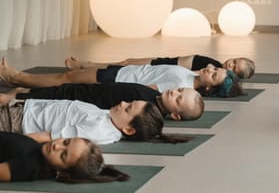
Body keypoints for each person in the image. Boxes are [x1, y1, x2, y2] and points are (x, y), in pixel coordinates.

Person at [0, 57, 244, 98]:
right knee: (69, 76)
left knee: (67, 79)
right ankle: (17, 79)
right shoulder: (190, 75)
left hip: (115, 80)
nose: (210, 69)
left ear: (210, 89)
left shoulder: (182, 84)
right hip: (120, 73)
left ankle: (16, 77)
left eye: (214, 75)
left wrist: (106, 85)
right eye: (215, 69)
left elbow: (145, 88)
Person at [0, 96, 170, 145]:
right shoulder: (110, 119)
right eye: (129, 102)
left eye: (127, 108)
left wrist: (8, 141)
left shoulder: (98, 129)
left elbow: (48, 136)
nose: (123, 103)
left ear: (129, 129)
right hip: (23, 109)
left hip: (16, 121)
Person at [0, 83, 204, 121]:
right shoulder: (154, 95)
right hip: (90, 90)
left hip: (81, 98)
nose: (173, 93)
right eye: (179, 90)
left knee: (55, 94)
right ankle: (22, 92)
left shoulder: (143, 107)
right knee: (56, 89)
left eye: (178, 99)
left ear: (175, 115)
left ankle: (15, 97)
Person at [0, 131, 129, 182]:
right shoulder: (41, 153)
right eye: (65, 142)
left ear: (63, 173)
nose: (57, 146)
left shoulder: (30, 167)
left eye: (63, 155)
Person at [65, 54, 256, 79]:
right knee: (126, 62)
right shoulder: (212, 63)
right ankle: (86, 65)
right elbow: (180, 60)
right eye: (234, 60)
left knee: (124, 66)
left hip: (162, 70)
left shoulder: (213, 73)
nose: (230, 64)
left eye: (234, 68)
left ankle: (85, 66)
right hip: (165, 63)